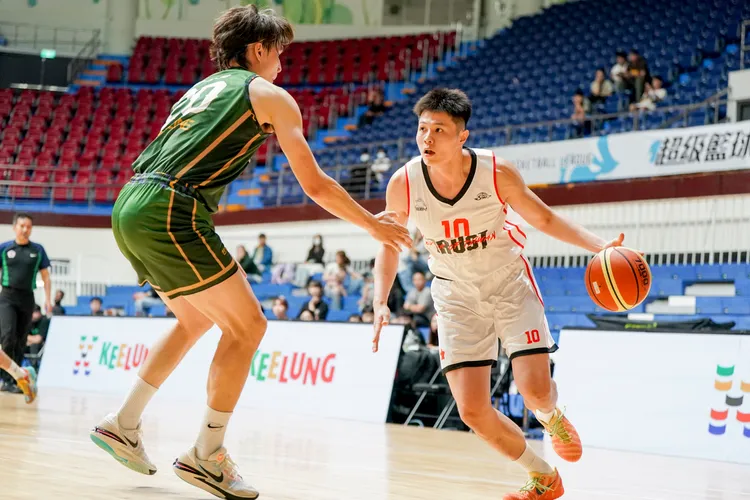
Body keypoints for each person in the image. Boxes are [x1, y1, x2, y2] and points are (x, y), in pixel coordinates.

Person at [89, 6, 410, 500]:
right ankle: (207, 453)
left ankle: (123, 422)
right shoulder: (268, 95)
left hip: (130, 202)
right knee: (249, 327)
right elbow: (315, 185)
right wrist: (371, 224)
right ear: (258, 49)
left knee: (194, 320)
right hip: (172, 208)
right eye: (279, 52)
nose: (281, 63)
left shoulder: (200, 89)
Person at [371, 88, 628, 500]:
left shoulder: (496, 171)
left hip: (508, 284)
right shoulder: (404, 182)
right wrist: (380, 300)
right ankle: (543, 477)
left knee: (535, 391)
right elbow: (389, 243)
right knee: (472, 411)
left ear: (463, 136)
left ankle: (551, 416)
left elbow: (544, 218)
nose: (427, 138)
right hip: (455, 297)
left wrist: (600, 246)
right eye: (422, 129)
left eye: (439, 130)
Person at [0, 213, 51, 394]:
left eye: (28, 226)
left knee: (21, 340)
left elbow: (45, 276)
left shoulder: (38, 250)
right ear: (15, 227)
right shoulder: (4, 248)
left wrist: (48, 299)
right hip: (6, 297)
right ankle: (6, 379)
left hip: (27, 298)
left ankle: (18, 380)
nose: (25, 229)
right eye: (22, 226)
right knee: (7, 336)